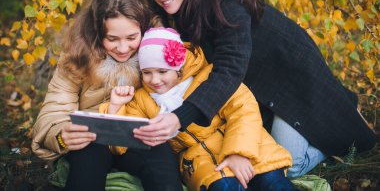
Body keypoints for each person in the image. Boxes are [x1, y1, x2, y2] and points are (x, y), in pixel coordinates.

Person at [136, 0, 377, 177]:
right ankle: (336, 108)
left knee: (289, 166)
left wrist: (179, 117)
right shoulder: (179, 14)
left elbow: (229, 69)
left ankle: (334, 136)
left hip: (291, 78)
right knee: (262, 148)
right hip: (260, 86)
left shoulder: (224, 2)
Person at [100, 27, 298, 191]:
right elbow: (122, 144)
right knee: (224, 187)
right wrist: (116, 107)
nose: (155, 80)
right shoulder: (142, 99)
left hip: (250, 149)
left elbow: (243, 110)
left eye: (162, 71)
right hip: (203, 164)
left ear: (179, 68)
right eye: (147, 73)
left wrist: (239, 152)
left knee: (273, 183)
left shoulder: (209, 78)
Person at [31, 0, 183, 191]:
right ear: (97, 33)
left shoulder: (156, 52)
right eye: (112, 39)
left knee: (161, 160)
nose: (122, 48)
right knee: (88, 160)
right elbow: (54, 110)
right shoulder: (76, 58)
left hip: (137, 137)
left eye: (131, 38)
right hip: (92, 139)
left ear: (144, 30)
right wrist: (61, 135)